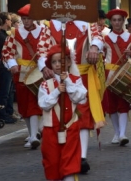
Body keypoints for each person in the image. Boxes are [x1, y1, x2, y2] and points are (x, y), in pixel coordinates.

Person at [38, 15, 105, 174]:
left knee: (83, 114)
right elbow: (41, 49)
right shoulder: (49, 25)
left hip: (82, 74)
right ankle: (60, 153)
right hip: (55, 77)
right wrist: (43, 67)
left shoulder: (88, 22)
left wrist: (94, 47)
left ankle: (81, 157)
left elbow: (98, 36)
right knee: (58, 113)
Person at [38, 45, 87, 181]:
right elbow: (43, 104)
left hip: (70, 127)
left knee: (70, 163)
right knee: (52, 164)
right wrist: (57, 91)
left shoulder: (76, 80)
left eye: (61, 61)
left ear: (69, 62)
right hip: (50, 130)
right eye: (54, 62)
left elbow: (80, 97)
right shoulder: (45, 85)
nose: (58, 65)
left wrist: (68, 82)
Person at [1, 4, 47, 148]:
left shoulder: (44, 32)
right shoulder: (14, 33)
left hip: (38, 73)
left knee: (35, 103)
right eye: (24, 19)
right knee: (23, 105)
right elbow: (6, 52)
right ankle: (32, 133)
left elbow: (49, 50)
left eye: (29, 19)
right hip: (20, 73)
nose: (26, 21)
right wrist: (12, 64)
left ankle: (34, 135)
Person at [103, 8, 131, 146]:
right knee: (111, 105)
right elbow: (101, 57)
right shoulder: (105, 39)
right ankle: (117, 133)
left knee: (123, 103)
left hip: (125, 74)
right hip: (110, 75)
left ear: (123, 21)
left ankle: (123, 134)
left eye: (119, 20)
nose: (117, 23)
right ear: (111, 22)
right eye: (114, 20)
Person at [0, 12, 16, 123]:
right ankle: (3, 114)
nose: (10, 22)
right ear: (4, 21)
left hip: (6, 66)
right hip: (3, 67)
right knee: (4, 91)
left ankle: (7, 112)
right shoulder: (0, 36)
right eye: (9, 19)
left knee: (8, 91)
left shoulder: (5, 35)